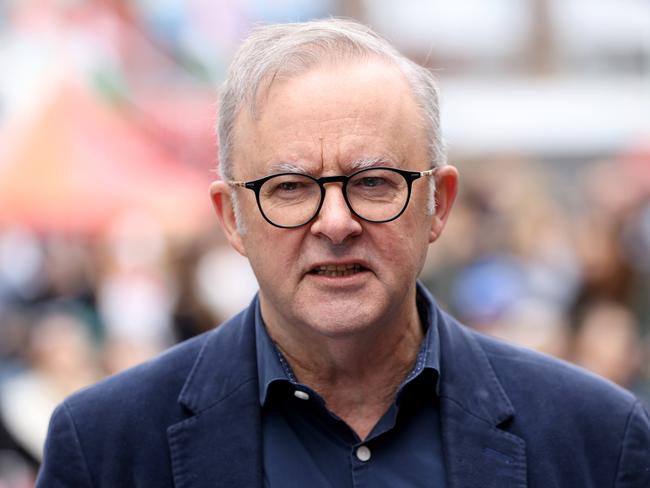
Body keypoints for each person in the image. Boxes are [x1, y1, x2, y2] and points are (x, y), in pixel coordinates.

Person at [37, 18, 650, 487]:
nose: (336, 222)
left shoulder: (594, 438)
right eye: (291, 188)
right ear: (232, 219)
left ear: (439, 203)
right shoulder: (105, 446)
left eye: (375, 182)